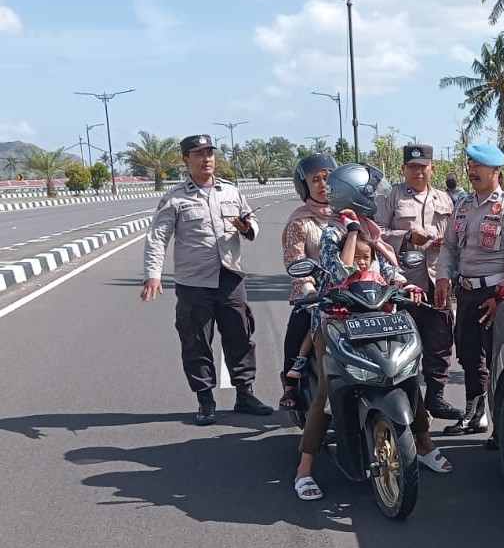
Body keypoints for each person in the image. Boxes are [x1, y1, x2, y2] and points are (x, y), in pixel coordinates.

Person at [293, 162, 452, 502]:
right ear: (353, 195)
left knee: (406, 374)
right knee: (327, 388)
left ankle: (422, 444)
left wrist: (406, 286)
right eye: (370, 194)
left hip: (380, 316)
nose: (377, 198)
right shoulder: (335, 232)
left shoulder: (373, 230)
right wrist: (351, 231)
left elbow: (390, 270)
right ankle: (304, 469)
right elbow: (342, 270)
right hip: (336, 321)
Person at [141, 133, 274, 426]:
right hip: (194, 284)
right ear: (186, 160)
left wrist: (247, 227)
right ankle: (205, 399)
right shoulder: (175, 198)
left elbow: (252, 225)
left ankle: (245, 393)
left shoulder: (231, 192)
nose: (207, 159)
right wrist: (153, 274)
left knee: (240, 335)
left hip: (230, 276)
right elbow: (157, 238)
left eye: (210, 153)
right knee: (196, 341)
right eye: (199, 154)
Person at [435, 144, 504, 445]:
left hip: (495, 295)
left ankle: (501, 427)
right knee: (467, 355)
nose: (472, 170)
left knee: (495, 359)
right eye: (470, 164)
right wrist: (442, 276)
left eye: (478, 166)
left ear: (496, 170)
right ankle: (475, 414)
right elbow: (450, 247)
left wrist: (501, 296)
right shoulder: (462, 205)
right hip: (466, 292)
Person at [374, 144, 459, 420]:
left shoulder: (445, 200)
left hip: (438, 281)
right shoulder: (392, 198)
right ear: (403, 170)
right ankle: (408, 402)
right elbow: (375, 236)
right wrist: (407, 237)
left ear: (432, 168)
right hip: (404, 285)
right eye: (412, 168)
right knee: (402, 346)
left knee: (440, 343)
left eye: (423, 167)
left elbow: (457, 238)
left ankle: (435, 399)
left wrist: (443, 243)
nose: (418, 173)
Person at [279, 153, 338, 410]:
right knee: (299, 324)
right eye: (316, 180)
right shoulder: (300, 220)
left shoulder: (349, 213)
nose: (323, 184)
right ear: (305, 186)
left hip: (353, 292)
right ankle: (291, 382)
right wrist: (310, 292)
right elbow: (295, 261)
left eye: (327, 178)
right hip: (316, 295)